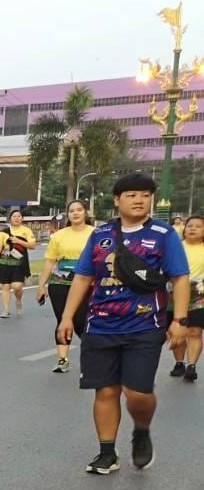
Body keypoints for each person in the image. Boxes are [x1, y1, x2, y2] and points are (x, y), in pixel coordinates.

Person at [58, 173, 190, 474]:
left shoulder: (163, 234)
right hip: (100, 325)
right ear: (117, 200)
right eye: (131, 194)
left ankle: (141, 429)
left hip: (144, 325)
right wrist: (67, 317)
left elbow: (179, 278)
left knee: (138, 393)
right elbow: (83, 277)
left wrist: (179, 320)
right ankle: (107, 452)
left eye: (145, 194)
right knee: (105, 391)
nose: (139, 199)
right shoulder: (101, 234)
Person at [35, 200, 95, 373]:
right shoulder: (59, 236)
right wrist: (41, 285)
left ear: (85, 213)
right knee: (63, 319)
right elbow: (50, 262)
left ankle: (91, 357)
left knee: (82, 321)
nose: (75, 213)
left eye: (79, 210)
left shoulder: (96, 234)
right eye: (71, 211)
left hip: (87, 283)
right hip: (60, 283)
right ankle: (62, 359)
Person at [0, 208, 35, 317]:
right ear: (10, 219)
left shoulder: (26, 231)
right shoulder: (4, 232)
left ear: (22, 218)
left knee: (17, 286)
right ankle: (6, 310)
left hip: (19, 263)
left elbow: (32, 245)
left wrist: (18, 241)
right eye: (14, 216)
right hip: (4, 263)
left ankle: (18, 300)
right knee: (5, 286)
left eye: (19, 216)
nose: (16, 218)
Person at [178, 214, 204, 382]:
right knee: (178, 330)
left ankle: (191, 366)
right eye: (190, 225)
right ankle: (179, 362)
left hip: (199, 293)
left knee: (195, 331)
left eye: (198, 226)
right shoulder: (175, 247)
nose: (192, 228)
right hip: (174, 292)